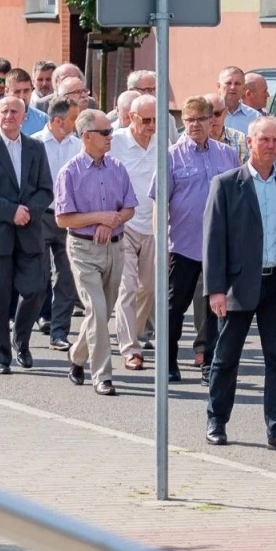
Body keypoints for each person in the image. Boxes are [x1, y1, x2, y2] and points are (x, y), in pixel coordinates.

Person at [203, 116, 276, 451]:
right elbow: (214, 240)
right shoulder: (226, 184)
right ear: (249, 142)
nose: (271, 146)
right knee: (226, 357)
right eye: (264, 140)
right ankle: (216, 421)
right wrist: (215, 289)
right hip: (237, 286)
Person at [162, 96, 249, 382]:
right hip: (184, 244)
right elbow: (159, 202)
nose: (195, 125)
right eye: (189, 120)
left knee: (216, 307)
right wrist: (162, 242)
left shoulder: (227, 154)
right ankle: (169, 360)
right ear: (182, 123)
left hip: (218, 246)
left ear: (212, 120)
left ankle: (209, 363)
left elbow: (238, 198)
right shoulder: (171, 156)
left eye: (201, 119)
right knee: (175, 306)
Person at [54, 110, 138, 395]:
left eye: (111, 132)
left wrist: (112, 219)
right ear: (87, 136)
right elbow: (63, 220)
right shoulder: (70, 172)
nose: (110, 137)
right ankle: (102, 375)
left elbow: (129, 208)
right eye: (105, 133)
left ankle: (77, 357)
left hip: (115, 247)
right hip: (83, 249)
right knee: (97, 309)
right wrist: (99, 217)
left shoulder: (117, 168)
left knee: (101, 314)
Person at [0, 96, 55, 374]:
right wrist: (11, 212)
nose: (9, 115)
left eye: (14, 111)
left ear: (24, 116)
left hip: (29, 231)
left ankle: (21, 338)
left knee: (35, 290)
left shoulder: (35, 147)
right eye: (4, 111)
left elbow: (46, 189)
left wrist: (28, 211)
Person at [111, 92, 160, 370]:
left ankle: (135, 334)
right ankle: (130, 348)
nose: (152, 125)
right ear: (131, 118)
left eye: (156, 119)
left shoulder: (160, 141)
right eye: (146, 120)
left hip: (153, 225)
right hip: (125, 225)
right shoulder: (115, 142)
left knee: (150, 289)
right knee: (127, 287)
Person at [36, 96, 83, 350]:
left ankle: (59, 332)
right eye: (74, 119)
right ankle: (32, 318)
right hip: (41, 217)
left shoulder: (77, 145)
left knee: (66, 275)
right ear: (57, 120)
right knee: (39, 275)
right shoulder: (34, 143)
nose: (77, 124)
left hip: (69, 218)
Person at [0, 69, 49, 138]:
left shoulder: (43, 120)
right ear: (6, 91)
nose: (22, 96)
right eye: (17, 92)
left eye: (26, 91)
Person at [218, 66, 261, 134]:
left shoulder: (255, 117)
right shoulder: (208, 115)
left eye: (237, 84)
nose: (233, 87)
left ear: (244, 89)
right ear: (218, 86)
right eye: (228, 83)